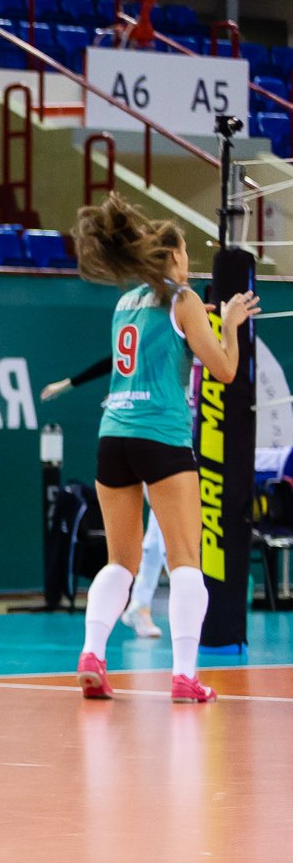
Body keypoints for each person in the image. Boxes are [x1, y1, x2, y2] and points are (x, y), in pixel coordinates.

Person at [70, 192, 255, 703]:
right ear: (172, 255)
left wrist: (199, 326)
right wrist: (230, 326)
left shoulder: (125, 302)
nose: (189, 261)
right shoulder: (183, 300)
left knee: (120, 563)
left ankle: (92, 654)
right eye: (186, 253)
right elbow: (225, 370)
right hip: (161, 436)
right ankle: (184, 675)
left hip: (114, 435)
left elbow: (155, 352)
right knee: (186, 560)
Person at [41, 356, 166, 639]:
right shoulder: (160, 339)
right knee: (165, 537)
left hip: (168, 434)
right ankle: (141, 610)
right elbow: (119, 358)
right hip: (148, 436)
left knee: (159, 532)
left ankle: (139, 605)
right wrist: (69, 383)